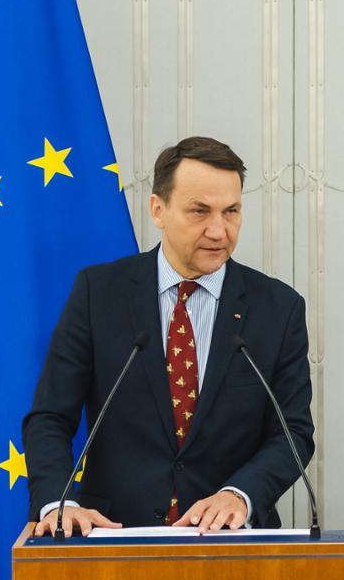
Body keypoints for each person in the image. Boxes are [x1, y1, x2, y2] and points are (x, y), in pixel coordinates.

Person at [24, 137, 313, 536]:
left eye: (231, 211)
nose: (219, 230)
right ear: (158, 210)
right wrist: (60, 504)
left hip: (230, 541)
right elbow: (50, 417)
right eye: (199, 211)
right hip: (115, 538)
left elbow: (293, 432)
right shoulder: (98, 293)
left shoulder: (278, 308)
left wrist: (239, 495)